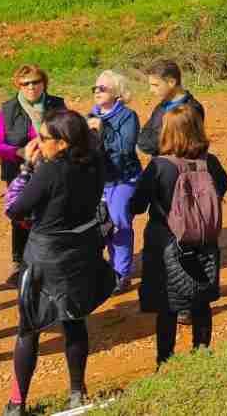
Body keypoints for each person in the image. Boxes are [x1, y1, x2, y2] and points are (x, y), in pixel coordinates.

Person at [3, 110, 115, 416]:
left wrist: (26, 167)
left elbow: (15, 209)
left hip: (46, 256)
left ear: (63, 143)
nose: (38, 143)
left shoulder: (50, 172)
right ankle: (77, 393)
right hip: (81, 251)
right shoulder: (95, 164)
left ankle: (16, 404)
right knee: (74, 320)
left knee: (29, 329)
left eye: (43, 138)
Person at [129, 106, 227, 366]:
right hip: (205, 241)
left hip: (166, 241)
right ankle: (202, 351)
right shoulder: (211, 162)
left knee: (167, 306)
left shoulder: (159, 166)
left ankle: (165, 361)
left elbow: (137, 205)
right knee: (201, 299)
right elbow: (223, 188)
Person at [0, 64, 67, 286]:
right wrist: (20, 152)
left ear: (44, 83)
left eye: (35, 82)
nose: (31, 87)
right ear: (18, 85)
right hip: (19, 170)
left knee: (51, 212)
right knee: (20, 215)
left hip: (53, 168)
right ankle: (19, 263)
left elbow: (68, 132)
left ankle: (50, 260)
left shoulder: (57, 105)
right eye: (25, 83)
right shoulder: (8, 109)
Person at [87, 70, 140, 291]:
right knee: (104, 225)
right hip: (100, 180)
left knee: (119, 224)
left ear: (117, 93)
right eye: (95, 88)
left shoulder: (128, 116)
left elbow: (125, 147)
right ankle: (111, 269)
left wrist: (103, 131)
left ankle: (122, 274)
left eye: (103, 88)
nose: (97, 92)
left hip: (123, 178)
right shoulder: (90, 115)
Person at [138, 60, 206, 157]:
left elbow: (171, 143)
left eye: (155, 85)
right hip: (161, 163)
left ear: (171, 82)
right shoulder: (161, 106)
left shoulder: (192, 109)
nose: (151, 90)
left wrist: (145, 144)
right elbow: (146, 132)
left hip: (180, 167)